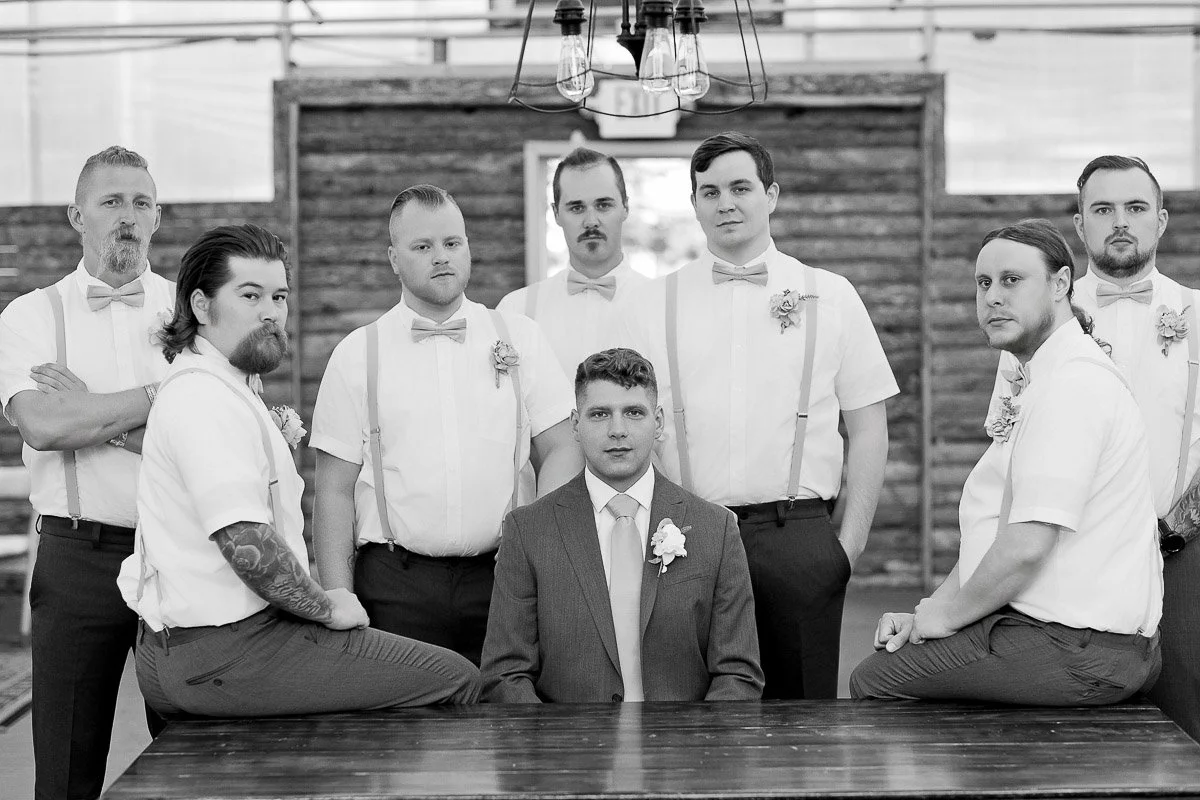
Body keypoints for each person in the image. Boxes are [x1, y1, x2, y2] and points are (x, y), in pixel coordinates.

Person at [116, 223, 480, 717]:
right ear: (201, 307)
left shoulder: (221, 385)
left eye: (279, 296)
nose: (271, 313)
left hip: (200, 646)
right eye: (250, 295)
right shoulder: (203, 398)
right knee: (457, 680)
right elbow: (244, 540)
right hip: (229, 649)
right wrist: (328, 605)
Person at [617, 132, 897, 699]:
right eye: (710, 191)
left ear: (771, 194)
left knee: (804, 731)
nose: (726, 203)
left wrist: (846, 549)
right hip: (684, 535)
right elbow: (623, 426)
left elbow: (869, 427)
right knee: (687, 719)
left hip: (798, 536)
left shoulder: (831, 295)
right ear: (694, 204)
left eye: (740, 188)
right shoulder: (650, 303)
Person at [850, 219, 1162, 704]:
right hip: (1051, 630)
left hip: (1078, 645)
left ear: (1061, 285)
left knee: (876, 682)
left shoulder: (1072, 387)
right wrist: (931, 611)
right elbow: (995, 536)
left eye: (1011, 280)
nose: (993, 296)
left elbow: (1025, 548)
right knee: (899, 659)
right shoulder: (1046, 377)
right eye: (983, 283)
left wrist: (946, 618)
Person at [311, 185, 582, 666]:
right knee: (402, 736)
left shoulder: (518, 337)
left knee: (509, 726)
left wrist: (532, 541)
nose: (441, 258)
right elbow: (333, 489)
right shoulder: (357, 353)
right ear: (393, 258)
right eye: (423, 247)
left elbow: (562, 447)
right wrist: (337, 595)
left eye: (452, 243)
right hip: (395, 584)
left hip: (502, 576)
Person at [0, 146, 172, 800]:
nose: (127, 217)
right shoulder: (30, 316)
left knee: (196, 752)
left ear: (156, 218)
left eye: (141, 202)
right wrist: (162, 395)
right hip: (76, 558)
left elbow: (217, 431)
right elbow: (44, 426)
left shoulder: (196, 311)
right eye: (111, 202)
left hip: (177, 551)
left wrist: (89, 408)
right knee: (67, 769)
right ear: (78, 215)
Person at [480, 348, 764, 702]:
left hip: (681, 748)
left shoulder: (715, 529)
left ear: (657, 422)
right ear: (575, 425)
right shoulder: (528, 531)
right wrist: (553, 751)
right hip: (568, 748)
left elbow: (738, 674)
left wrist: (696, 749)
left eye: (633, 413)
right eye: (599, 414)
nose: (617, 430)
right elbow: (505, 675)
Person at [497, 147, 648, 374]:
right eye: (577, 207)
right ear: (556, 213)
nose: (591, 221)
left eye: (603, 205)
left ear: (625, 207)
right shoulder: (517, 310)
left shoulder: (658, 305)